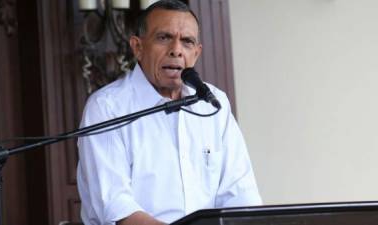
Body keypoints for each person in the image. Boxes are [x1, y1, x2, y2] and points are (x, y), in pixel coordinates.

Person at [77, 1, 262, 225]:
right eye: (164, 37)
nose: (176, 49)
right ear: (138, 47)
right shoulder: (107, 108)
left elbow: (240, 197)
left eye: (187, 41)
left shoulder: (213, 103)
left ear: (196, 52)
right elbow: (118, 208)